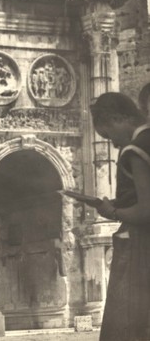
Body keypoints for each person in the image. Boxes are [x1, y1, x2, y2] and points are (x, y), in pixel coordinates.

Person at [88, 92, 150, 341]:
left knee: (127, 325)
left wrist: (111, 212)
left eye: (108, 135)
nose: (112, 144)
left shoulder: (135, 150)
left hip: (141, 247)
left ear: (118, 118)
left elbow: (146, 211)